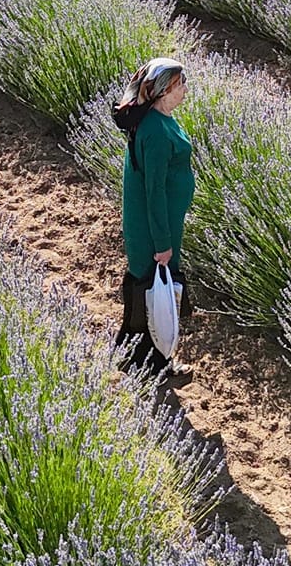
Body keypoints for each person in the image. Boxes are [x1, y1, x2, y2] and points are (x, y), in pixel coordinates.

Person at [114, 57, 194, 376]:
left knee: (145, 289)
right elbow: (154, 193)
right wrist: (163, 244)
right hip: (155, 230)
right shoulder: (156, 132)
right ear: (163, 91)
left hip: (151, 225)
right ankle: (154, 366)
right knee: (154, 295)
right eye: (180, 84)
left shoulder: (153, 120)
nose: (185, 89)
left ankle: (133, 357)